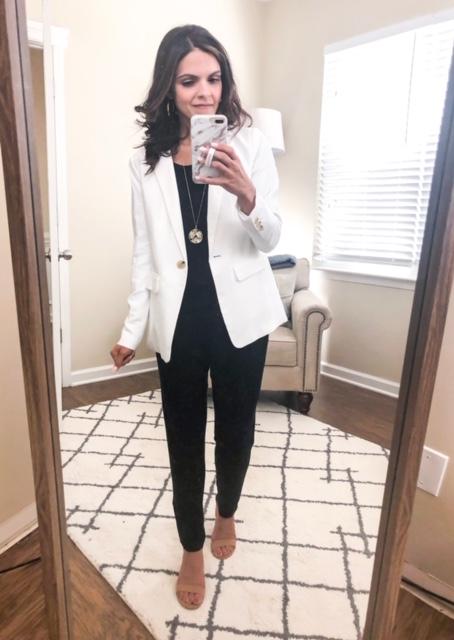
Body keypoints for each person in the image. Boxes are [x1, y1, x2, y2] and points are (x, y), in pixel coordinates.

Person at [110, 24, 287, 610]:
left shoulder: (250, 144)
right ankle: (191, 546)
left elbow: (270, 239)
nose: (204, 92)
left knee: (237, 428)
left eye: (213, 78)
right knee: (182, 437)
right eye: (189, 81)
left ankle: (226, 512)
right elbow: (144, 253)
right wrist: (131, 329)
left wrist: (247, 195)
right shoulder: (145, 162)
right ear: (168, 86)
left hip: (242, 316)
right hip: (179, 319)